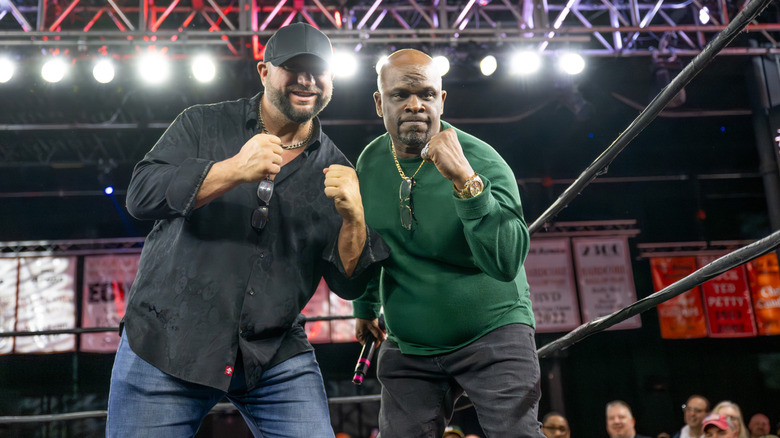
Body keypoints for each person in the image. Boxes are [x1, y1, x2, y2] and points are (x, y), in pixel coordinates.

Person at [106, 23, 388, 437]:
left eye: (319, 70)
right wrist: (232, 170)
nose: (307, 79)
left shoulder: (337, 169)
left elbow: (347, 283)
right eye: (293, 67)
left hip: (273, 352)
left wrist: (356, 218)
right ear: (264, 72)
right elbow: (141, 196)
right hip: (167, 339)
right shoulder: (203, 124)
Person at [352, 48, 544, 437]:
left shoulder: (482, 161)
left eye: (425, 94)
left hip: (492, 333)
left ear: (441, 100)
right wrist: (365, 305)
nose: (414, 105)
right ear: (379, 102)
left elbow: (507, 262)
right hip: (410, 346)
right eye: (399, 95)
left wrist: (466, 182)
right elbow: (373, 240)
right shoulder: (370, 162)